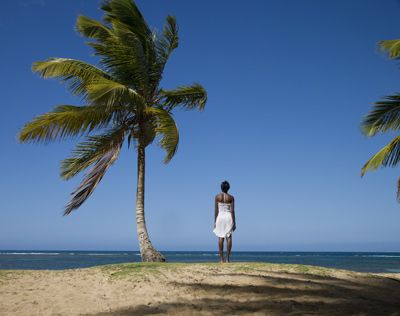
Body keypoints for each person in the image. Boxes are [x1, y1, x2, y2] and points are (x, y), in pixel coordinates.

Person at [213, 180, 236, 263]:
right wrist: (234, 222)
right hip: (228, 217)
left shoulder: (217, 197)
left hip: (220, 217)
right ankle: (228, 259)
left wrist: (215, 221)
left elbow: (216, 210)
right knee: (229, 237)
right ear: (228, 188)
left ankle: (221, 259)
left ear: (221, 187)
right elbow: (233, 211)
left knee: (220, 237)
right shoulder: (231, 197)